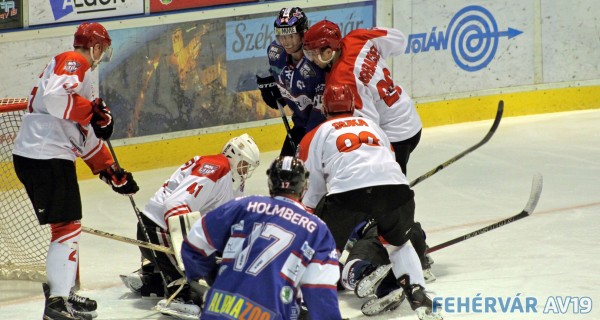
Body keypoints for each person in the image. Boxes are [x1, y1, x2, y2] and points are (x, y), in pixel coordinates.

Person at [12, 22, 140, 320]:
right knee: (66, 228)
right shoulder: (75, 60)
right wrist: (93, 113)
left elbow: (82, 133)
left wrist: (110, 171)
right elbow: (57, 100)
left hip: (44, 155)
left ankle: (63, 292)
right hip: (45, 155)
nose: (101, 56)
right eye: (102, 50)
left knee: (67, 226)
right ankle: (57, 302)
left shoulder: (80, 78)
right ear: (95, 47)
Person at [301, 20, 434, 281]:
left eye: (316, 53)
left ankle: (408, 249)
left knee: (380, 205)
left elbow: (364, 129)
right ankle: (399, 243)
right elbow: (399, 40)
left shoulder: (342, 79)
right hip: (407, 115)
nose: (313, 60)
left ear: (329, 50)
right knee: (388, 197)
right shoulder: (358, 37)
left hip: (394, 134)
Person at [298, 84, 442, 320]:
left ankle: (307, 307)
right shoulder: (372, 125)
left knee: (325, 250)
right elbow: (390, 158)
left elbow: (312, 183)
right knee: (398, 244)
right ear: (353, 106)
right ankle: (418, 293)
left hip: (347, 195)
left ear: (324, 108)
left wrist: (308, 214)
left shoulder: (317, 134)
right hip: (396, 190)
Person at [181, 156, 342, 320]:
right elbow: (321, 292)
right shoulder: (318, 229)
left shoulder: (242, 205)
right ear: (304, 186)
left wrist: (211, 275)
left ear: (271, 183)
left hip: (218, 308)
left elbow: (194, 244)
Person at [121, 133, 260, 319]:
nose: (246, 171)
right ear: (234, 155)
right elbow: (174, 205)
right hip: (156, 231)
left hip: (159, 231)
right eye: (245, 164)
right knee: (195, 291)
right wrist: (189, 250)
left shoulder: (230, 179)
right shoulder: (217, 167)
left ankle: (153, 277)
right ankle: (178, 294)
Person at [256, 7, 326, 156]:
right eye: (281, 36)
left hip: (321, 132)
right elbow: (275, 72)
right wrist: (273, 84)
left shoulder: (317, 64)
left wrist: (306, 142)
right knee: (282, 169)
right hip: (299, 126)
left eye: (291, 36)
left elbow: (320, 113)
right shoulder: (275, 52)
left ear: (303, 33)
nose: (286, 42)